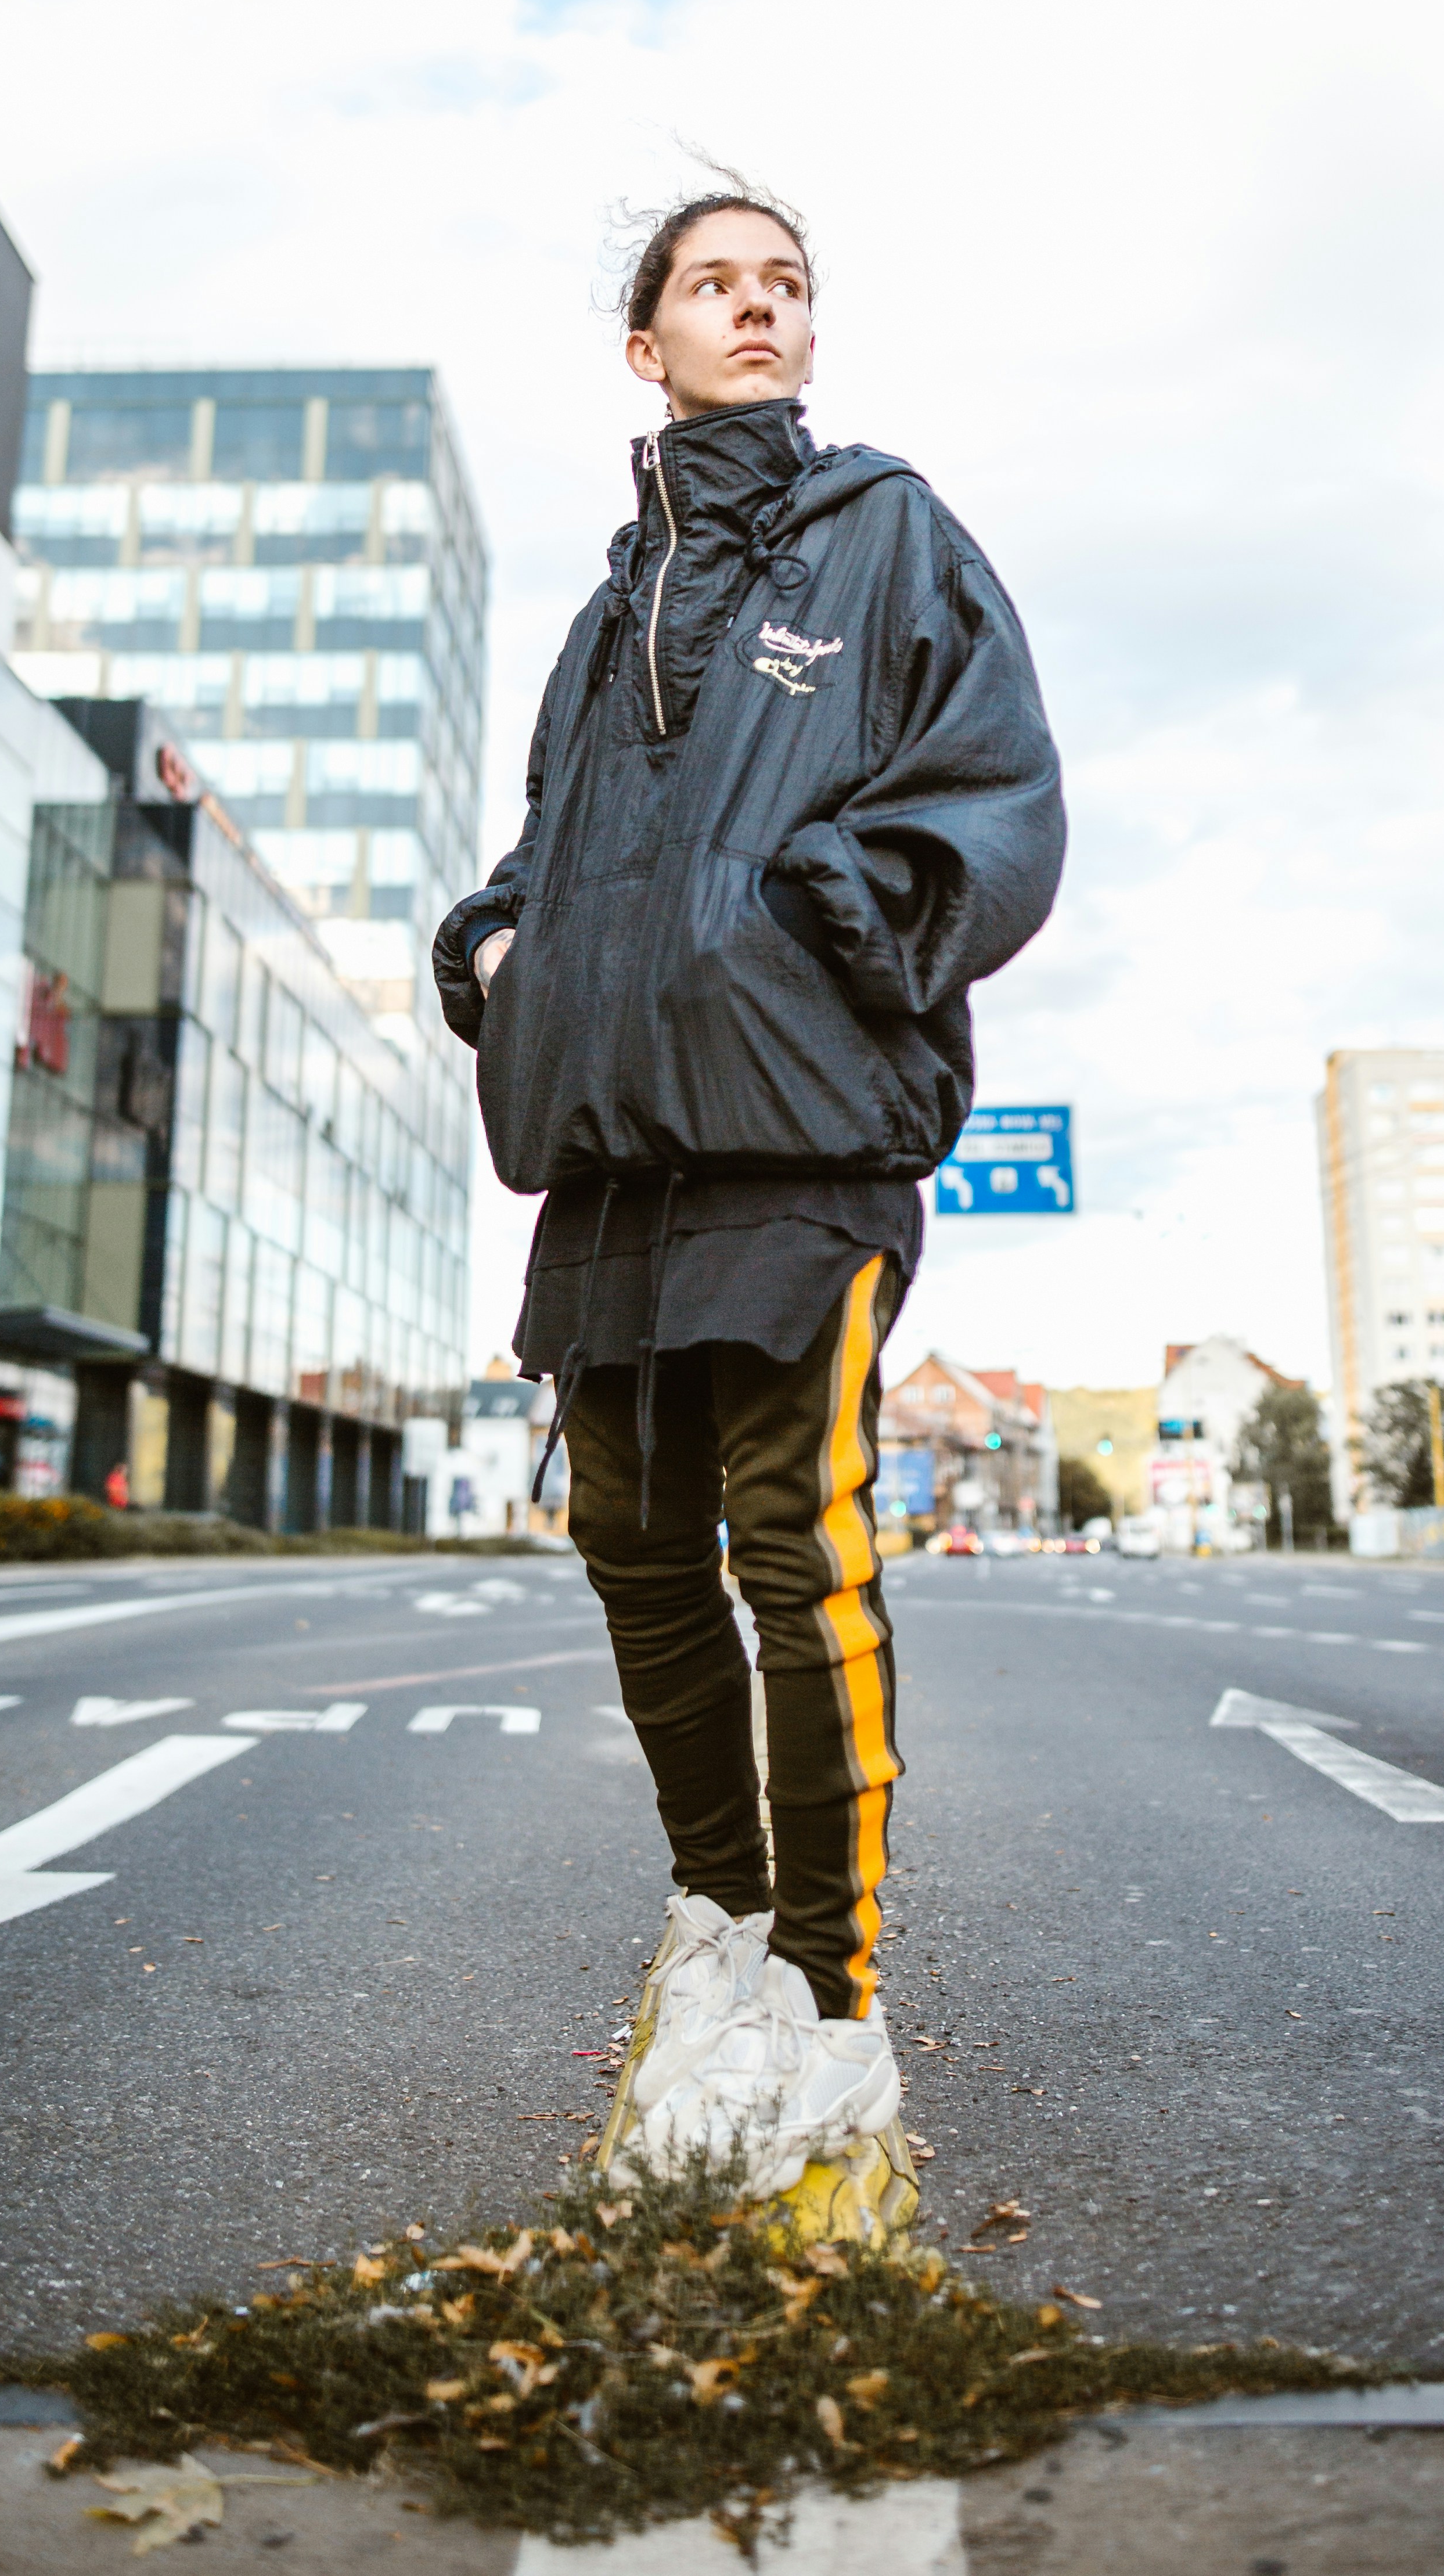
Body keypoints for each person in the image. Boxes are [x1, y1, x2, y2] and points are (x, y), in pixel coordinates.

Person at [433, 178, 1063, 2214]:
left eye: (785, 282)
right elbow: (547, 849)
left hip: (803, 1132)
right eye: (717, 284)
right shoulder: (605, 610)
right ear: (649, 346)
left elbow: (991, 798)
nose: (760, 306)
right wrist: (486, 954)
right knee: (629, 1539)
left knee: (796, 1542)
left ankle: (829, 1989)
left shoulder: (889, 532)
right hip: (615, 1154)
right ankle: (719, 1917)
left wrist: (820, 921)